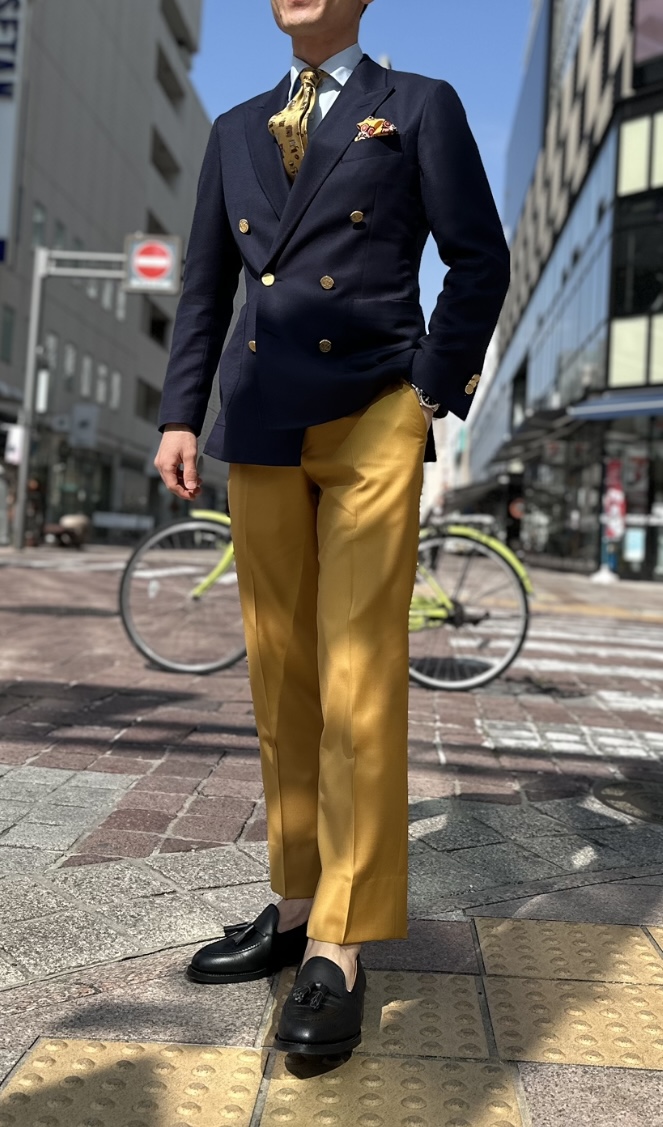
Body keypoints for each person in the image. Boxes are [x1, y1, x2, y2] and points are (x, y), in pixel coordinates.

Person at [154, 0, 509, 1056]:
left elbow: (478, 257)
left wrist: (427, 389)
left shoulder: (420, 106)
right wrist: (181, 412)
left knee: (357, 671)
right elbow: (205, 284)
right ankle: (298, 899)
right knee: (282, 675)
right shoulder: (235, 128)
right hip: (261, 414)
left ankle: (340, 941)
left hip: (370, 413)